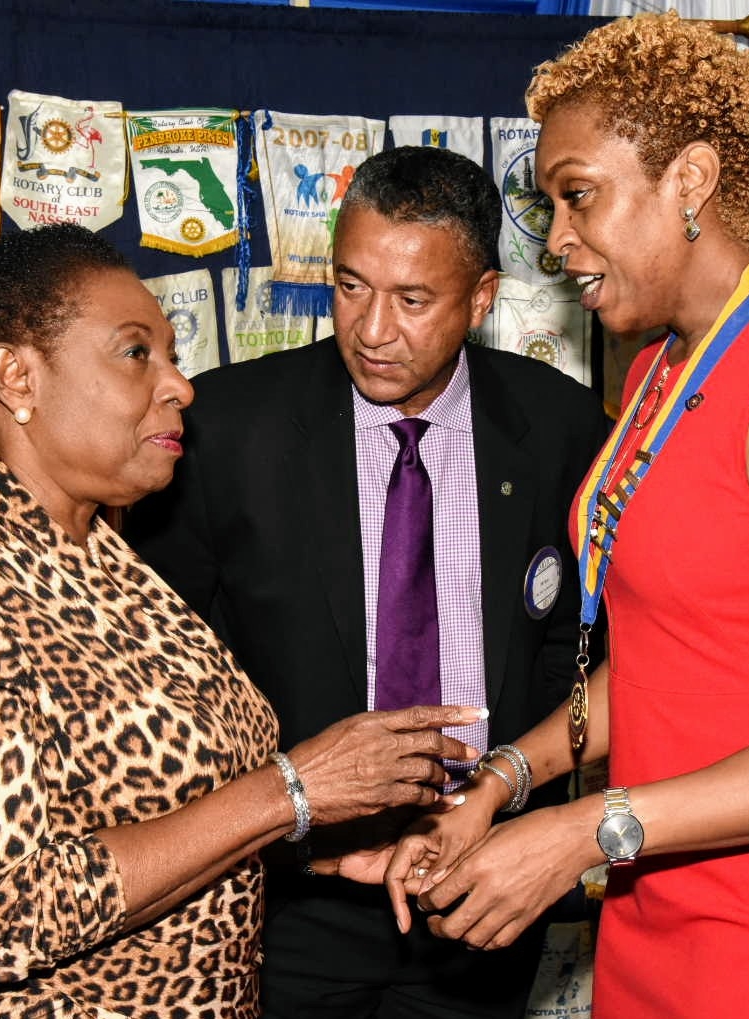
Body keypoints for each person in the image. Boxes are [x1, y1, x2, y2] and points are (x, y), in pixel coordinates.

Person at [381, 14, 749, 1019]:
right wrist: (508, 778)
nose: (555, 242)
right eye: (550, 204)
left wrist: (586, 827)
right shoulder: (655, 371)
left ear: (686, 180)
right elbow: (673, 657)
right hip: (653, 913)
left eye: (577, 196)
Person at [0, 223, 480, 1019]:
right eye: (136, 353)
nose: (180, 384)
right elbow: (5, 914)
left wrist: (321, 846)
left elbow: (162, 810)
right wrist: (292, 791)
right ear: (16, 377)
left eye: (170, 353)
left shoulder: (111, 555)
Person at [124, 146, 609, 1019]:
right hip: (287, 901)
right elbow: (162, 687)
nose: (373, 329)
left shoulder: (561, 426)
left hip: (477, 896)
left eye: (413, 299)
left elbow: (578, 663)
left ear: (483, 299)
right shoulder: (226, 429)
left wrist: (510, 799)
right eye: (351, 286)